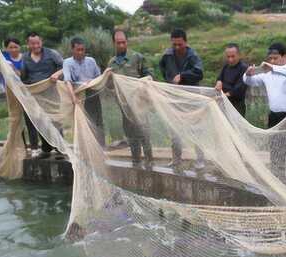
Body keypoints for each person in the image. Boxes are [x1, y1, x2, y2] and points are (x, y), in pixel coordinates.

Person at [107, 29, 154, 167]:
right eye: (118, 43)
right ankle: (136, 162)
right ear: (114, 43)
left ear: (127, 42)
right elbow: (110, 86)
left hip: (139, 104)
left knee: (144, 132)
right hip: (124, 105)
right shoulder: (112, 63)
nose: (121, 45)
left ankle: (149, 161)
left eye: (123, 42)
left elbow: (150, 75)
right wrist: (108, 79)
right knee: (131, 134)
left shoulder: (137, 57)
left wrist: (142, 83)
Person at [159, 28, 205, 168]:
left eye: (180, 44)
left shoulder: (193, 56)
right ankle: (176, 159)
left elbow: (199, 73)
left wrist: (183, 76)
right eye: (174, 45)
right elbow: (162, 69)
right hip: (174, 97)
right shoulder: (167, 55)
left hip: (191, 97)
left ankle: (200, 159)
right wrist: (170, 81)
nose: (177, 47)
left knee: (196, 129)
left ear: (186, 42)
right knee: (174, 129)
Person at [19, 32, 64, 158]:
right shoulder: (25, 58)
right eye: (32, 43)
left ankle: (60, 148)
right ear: (28, 44)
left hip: (51, 94)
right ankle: (46, 148)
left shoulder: (52, 54)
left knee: (54, 121)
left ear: (41, 42)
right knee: (39, 121)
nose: (35, 46)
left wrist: (57, 74)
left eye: (37, 43)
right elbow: (24, 77)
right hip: (35, 95)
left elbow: (65, 67)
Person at [58, 37, 105, 146]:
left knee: (97, 121)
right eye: (78, 50)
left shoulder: (91, 61)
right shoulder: (67, 63)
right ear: (72, 50)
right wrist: (73, 98)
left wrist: (93, 82)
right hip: (78, 96)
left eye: (82, 50)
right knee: (82, 122)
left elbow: (99, 77)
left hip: (92, 93)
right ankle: (85, 147)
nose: (81, 52)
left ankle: (101, 147)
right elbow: (68, 81)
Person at [243, 42, 286, 128]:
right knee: (273, 141)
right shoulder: (266, 73)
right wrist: (247, 74)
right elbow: (250, 81)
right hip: (273, 115)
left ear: (284, 56)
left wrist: (273, 68)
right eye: (270, 58)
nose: (272, 61)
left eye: (275, 58)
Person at [215, 43, 248, 116]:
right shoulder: (226, 66)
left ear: (239, 55)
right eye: (228, 57)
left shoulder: (244, 68)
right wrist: (219, 82)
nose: (230, 59)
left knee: (235, 126)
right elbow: (220, 77)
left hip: (236, 105)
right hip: (224, 102)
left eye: (233, 56)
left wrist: (225, 95)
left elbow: (240, 88)